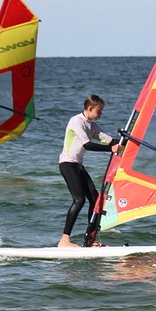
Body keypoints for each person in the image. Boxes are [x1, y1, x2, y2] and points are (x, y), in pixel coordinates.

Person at [57, 94, 122, 248]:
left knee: (96, 201)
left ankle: (90, 240)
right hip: (67, 164)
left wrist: (126, 141)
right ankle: (64, 240)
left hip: (78, 166)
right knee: (79, 200)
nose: (101, 114)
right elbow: (87, 144)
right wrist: (110, 149)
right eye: (99, 111)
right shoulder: (76, 121)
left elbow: (109, 139)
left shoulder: (91, 125)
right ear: (90, 108)